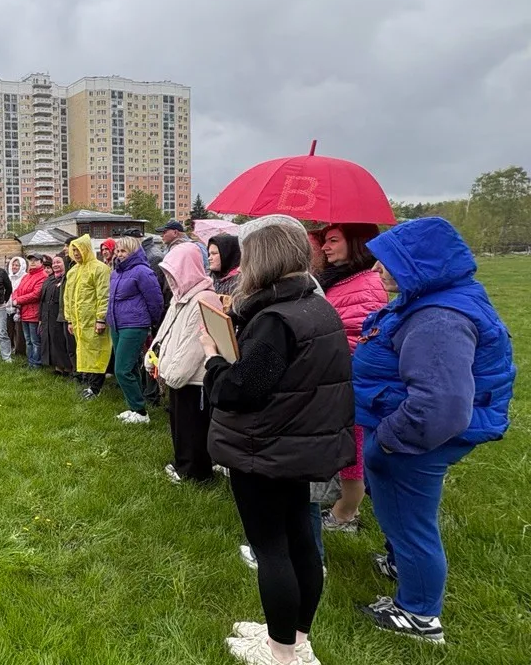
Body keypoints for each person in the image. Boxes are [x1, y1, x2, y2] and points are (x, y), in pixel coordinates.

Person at [353, 218, 514, 644]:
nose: (377, 271)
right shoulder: (430, 299)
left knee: (410, 524)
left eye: (388, 263)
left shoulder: (438, 318)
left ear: (418, 266)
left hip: (413, 443)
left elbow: (440, 405)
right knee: (401, 518)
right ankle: (402, 566)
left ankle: (420, 614)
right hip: (406, 435)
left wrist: (388, 440)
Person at [202, 220, 354, 665]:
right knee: (300, 540)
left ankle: (281, 653)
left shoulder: (274, 320)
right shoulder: (314, 305)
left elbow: (238, 390)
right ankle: (295, 637)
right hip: (298, 442)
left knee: (273, 549)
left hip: (265, 448)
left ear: (261, 258)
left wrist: (214, 355)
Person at [310, 223, 387, 534]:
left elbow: (358, 340)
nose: (326, 248)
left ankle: (346, 513)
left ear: (357, 244)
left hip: (352, 382)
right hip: (336, 378)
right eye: (324, 241)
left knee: (352, 452)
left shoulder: (366, 284)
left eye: (333, 241)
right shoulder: (343, 278)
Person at [148, 242, 222, 484]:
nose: (171, 278)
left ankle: (197, 474)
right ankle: (183, 464)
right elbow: (166, 331)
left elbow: (195, 344)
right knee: (180, 425)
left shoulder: (205, 299)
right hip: (178, 377)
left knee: (193, 428)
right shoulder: (182, 298)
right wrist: (153, 355)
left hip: (194, 378)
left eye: (174, 272)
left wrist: (171, 374)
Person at [107, 236, 164, 422]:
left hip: (134, 325)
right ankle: (135, 407)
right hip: (117, 324)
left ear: (133, 251)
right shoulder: (116, 272)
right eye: (117, 250)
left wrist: (151, 323)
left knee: (121, 370)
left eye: (123, 251)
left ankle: (140, 411)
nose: (119, 254)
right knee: (130, 368)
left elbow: (155, 300)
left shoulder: (142, 271)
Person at [64, 234, 111, 398]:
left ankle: (96, 388)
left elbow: (104, 295)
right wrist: (69, 319)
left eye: (79, 250)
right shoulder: (73, 271)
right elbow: (68, 297)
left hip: (92, 321)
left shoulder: (100, 269)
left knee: (96, 352)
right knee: (84, 352)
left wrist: (101, 318)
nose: (76, 253)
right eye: (73, 250)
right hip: (78, 321)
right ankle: (89, 385)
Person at [40, 254, 75, 375]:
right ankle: (57, 366)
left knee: (62, 341)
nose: (55, 265)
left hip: (61, 315)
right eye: (54, 263)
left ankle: (68, 367)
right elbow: (43, 299)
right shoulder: (49, 279)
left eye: (58, 262)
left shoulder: (67, 278)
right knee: (52, 341)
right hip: (48, 316)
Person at [11, 254, 48, 368]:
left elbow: (36, 294)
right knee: (28, 340)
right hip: (24, 313)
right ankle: (30, 361)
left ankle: (36, 363)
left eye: (35, 260)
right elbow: (17, 289)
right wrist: (15, 298)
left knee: (35, 341)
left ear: (41, 263)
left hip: (34, 313)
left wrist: (19, 300)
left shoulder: (42, 276)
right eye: (31, 260)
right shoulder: (27, 276)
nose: (32, 262)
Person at [6, 257, 28, 358]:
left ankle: (20, 351)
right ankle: (9, 348)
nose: (14, 267)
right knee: (8, 329)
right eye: (13, 265)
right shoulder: (9, 277)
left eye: (17, 265)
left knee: (19, 331)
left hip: (20, 307)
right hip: (8, 306)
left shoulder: (25, 277)